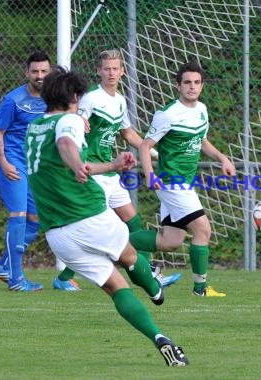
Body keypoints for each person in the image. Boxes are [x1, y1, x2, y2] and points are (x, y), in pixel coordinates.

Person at [25, 67, 188, 366]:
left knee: (116, 288)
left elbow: (74, 161)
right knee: (128, 255)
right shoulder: (70, 119)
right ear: (75, 96)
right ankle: (155, 289)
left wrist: (110, 165)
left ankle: (159, 337)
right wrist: (76, 164)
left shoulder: (34, 128)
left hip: (57, 236)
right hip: (88, 216)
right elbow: (66, 146)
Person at [131, 61, 236, 297]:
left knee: (170, 240)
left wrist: (222, 158)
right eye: (187, 82)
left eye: (197, 82)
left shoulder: (202, 110)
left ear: (202, 86)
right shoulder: (167, 114)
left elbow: (202, 141)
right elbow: (146, 146)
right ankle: (200, 288)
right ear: (178, 85)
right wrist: (150, 175)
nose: (192, 87)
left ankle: (117, 244)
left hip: (185, 183)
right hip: (171, 181)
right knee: (203, 230)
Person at [78, 49, 181, 288]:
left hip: (111, 173)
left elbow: (127, 133)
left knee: (133, 222)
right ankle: (64, 278)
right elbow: (78, 121)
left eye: (115, 68)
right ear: (99, 71)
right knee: (89, 227)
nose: (111, 73)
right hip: (94, 171)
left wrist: (154, 151)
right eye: (106, 68)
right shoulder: (91, 98)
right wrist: (79, 120)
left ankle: (150, 273)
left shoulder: (120, 101)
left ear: (122, 71)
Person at [0, 50, 79, 291]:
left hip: (34, 164)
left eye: (44, 71)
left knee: (34, 220)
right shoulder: (13, 100)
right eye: (35, 71)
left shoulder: (53, 99)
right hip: (12, 161)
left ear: (50, 72)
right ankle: (16, 279)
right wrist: (4, 162)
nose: (40, 76)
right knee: (18, 215)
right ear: (26, 73)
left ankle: (4, 265)